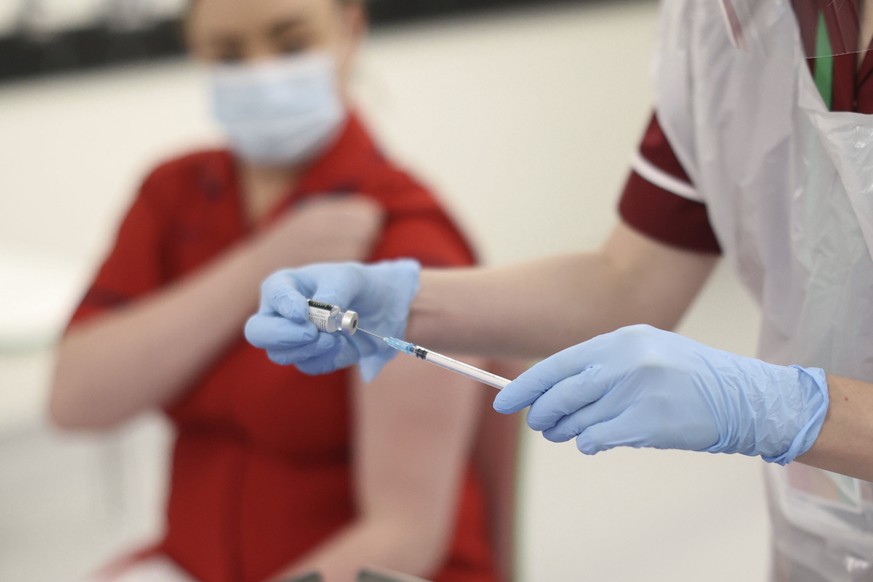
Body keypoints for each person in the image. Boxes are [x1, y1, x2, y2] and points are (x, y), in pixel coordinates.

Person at [244, 1, 873, 580]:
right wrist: (404, 302)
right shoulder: (724, 26)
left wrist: (782, 409)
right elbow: (629, 284)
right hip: (819, 541)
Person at [49, 0, 507, 581]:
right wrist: (255, 268)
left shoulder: (402, 239)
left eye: (290, 45)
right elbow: (74, 400)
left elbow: (404, 534)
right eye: (228, 54)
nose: (262, 72)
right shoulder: (175, 197)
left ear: (351, 29)